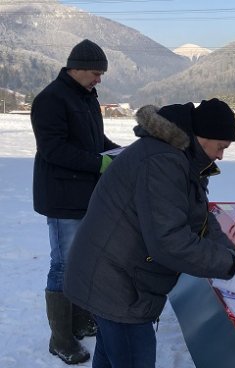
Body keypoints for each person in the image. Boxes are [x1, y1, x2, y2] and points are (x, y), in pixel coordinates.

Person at [64, 98, 235, 368]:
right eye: (221, 147)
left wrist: (231, 253)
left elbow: (199, 220)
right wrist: (227, 264)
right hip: (118, 286)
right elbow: (169, 242)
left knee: (110, 354)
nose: (221, 155)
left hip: (113, 276)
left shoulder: (180, 159)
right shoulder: (164, 162)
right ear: (201, 136)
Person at [30, 39, 120, 364]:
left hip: (86, 195)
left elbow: (95, 141)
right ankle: (60, 339)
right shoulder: (51, 99)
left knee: (83, 260)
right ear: (77, 67)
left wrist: (116, 152)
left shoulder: (86, 97)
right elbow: (54, 150)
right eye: (96, 73)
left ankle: (80, 320)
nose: (99, 79)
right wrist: (99, 163)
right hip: (61, 196)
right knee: (64, 264)